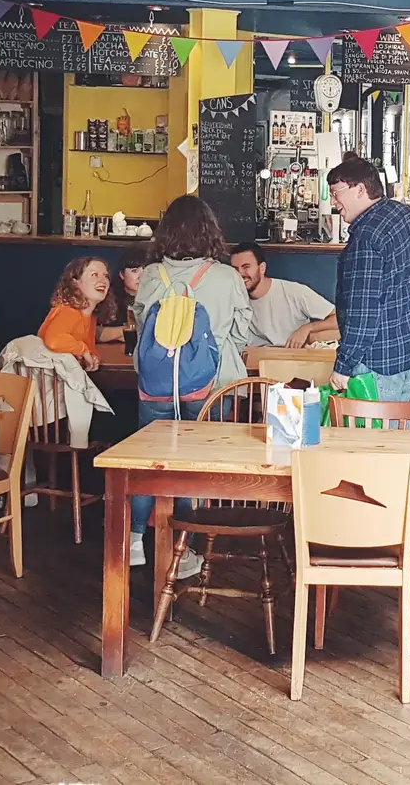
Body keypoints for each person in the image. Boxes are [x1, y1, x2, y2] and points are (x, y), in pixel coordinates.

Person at [129, 195, 253, 572]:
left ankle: (134, 540)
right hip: (212, 387)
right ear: (210, 231)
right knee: (192, 467)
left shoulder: (151, 275)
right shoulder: (227, 277)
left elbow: (142, 327)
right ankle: (181, 552)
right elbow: (242, 332)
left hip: (157, 385)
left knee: (149, 462)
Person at [326, 156, 410, 402]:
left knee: (374, 428)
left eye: (336, 193)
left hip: (376, 361)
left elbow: (362, 312)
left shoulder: (366, 238)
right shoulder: (406, 214)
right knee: (397, 421)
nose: (333, 202)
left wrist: (343, 366)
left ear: (360, 190)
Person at [229, 241, 338, 349]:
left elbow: (338, 319)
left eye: (246, 267)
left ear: (262, 268)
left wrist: (307, 328)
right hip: (256, 355)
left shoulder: (294, 291)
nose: (240, 274)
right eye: (235, 269)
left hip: (293, 355)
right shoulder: (232, 298)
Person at [38, 256, 116, 371]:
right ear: (75, 282)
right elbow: (54, 341)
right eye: (94, 274)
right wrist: (83, 350)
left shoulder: (91, 317)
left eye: (106, 276)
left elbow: (90, 348)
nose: (103, 281)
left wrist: (94, 358)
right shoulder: (68, 311)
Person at [106, 244, 153, 334]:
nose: (142, 277)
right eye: (134, 271)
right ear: (122, 274)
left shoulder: (158, 299)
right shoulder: (109, 300)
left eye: (147, 270)